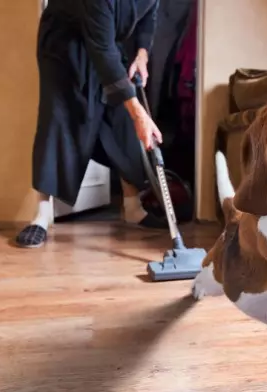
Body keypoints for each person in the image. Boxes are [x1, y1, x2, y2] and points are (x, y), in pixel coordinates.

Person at [15, 0, 167, 248]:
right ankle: (41, 216)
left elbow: (149, 16)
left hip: (103, 39)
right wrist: (139, 113)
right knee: (58, 120)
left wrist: (142, 54)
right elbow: (103, 50)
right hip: (64, 45)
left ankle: (133, 208)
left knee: (121, 119)